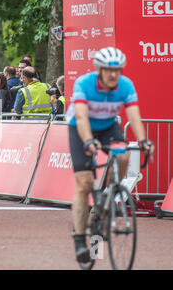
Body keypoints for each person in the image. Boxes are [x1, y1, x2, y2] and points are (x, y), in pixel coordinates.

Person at [66, 47, 155, 263]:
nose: (113, 75)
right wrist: (88, 140)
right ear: (99, 70)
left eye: (118, 70)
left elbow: (133, 114)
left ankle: (105, 198)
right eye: (108, 70)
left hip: (108, 127)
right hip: (81, 127)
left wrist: (143, 141)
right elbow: (81, 116)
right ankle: (80, 240)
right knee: (84, 184)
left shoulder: (125, 85)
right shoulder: (84, 83)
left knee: (123, 156)